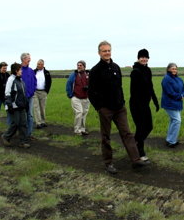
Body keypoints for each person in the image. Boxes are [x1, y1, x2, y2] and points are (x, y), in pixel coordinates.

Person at [88, 41, 150, 174]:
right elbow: (91, 92)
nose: (107, 53)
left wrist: (121, 101)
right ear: (99, 53)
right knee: (106, 136)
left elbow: (119, 86)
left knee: (127, 133)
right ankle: (108, 163)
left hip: (119, 108)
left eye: (109, 50)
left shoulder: (116, 67)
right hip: (106, 109)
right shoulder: (95, 71)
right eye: (104, 51)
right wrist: (99, 107)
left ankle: (135, 159)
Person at [129, 49, 159, 161]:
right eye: (142, 57)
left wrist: (155, 101)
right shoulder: (135, 72)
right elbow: (134, 92)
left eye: (146, 57)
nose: (144, 59)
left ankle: (134, 143)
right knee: (141, 128)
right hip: (136, 105)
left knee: (149, 126)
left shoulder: (148, 70)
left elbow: (150, 87)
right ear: (138, 58)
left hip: (145, 104)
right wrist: (140, 105)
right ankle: (140, 152)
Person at [2, 63, 31, 148]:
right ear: (16, 71)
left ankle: (23, 142)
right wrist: (9, 105)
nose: (21, 71)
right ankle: (6, 137)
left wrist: (26, 104)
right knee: (15, 123)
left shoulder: (21, 80)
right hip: (13, 106)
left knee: (23, 124)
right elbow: (7, 93)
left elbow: (23, 93)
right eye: (20, 69)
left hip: (21, 106)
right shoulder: (11, 79)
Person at [161, 62, 184, 148]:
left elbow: (183, 88)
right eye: (172, 69)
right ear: (168, 69)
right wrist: (179, 96)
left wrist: (183, 94)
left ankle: (170, 139)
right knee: (177, 121)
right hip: (169, 103)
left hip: (177, 103)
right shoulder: (166, 79)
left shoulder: (179, 79)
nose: (174, 70)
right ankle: (172, 141)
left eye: (175, 69)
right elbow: (169, 92)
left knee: (173, 121)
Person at [66, 60, 90, 136]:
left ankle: (82, 129)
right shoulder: (74, 74)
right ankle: (77, 130)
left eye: (80, 65)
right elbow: (68, 84)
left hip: (86, 98)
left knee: (84, 114)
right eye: (78, 65)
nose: (79, 66)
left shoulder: (88, 74)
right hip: (76, 97)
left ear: (84, 67)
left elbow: (93, 84)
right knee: (79, 112)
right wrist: (70, 95)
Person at [20, 53, 37, 139]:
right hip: (21, 98)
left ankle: (29, 134)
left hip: (30, 97)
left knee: (30, 115)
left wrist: (33, 91)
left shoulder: (31, 70)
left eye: (30, 58)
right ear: (23, 59)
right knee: (22, 116)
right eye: (28, 58)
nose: (30, 60)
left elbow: (34, 81)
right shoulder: (19, 71)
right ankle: (22, 134)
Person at [33, 59, 52, 129]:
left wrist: (46, 91)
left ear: (43, 65)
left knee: (42, 107)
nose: (37, 65)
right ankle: (38, 123)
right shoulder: (34, 72)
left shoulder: (47, 72)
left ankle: (43, 121)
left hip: (43, 92)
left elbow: (49, 82)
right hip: (35, 92)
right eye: (37, 64)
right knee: (36, 107)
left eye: (39, 64)